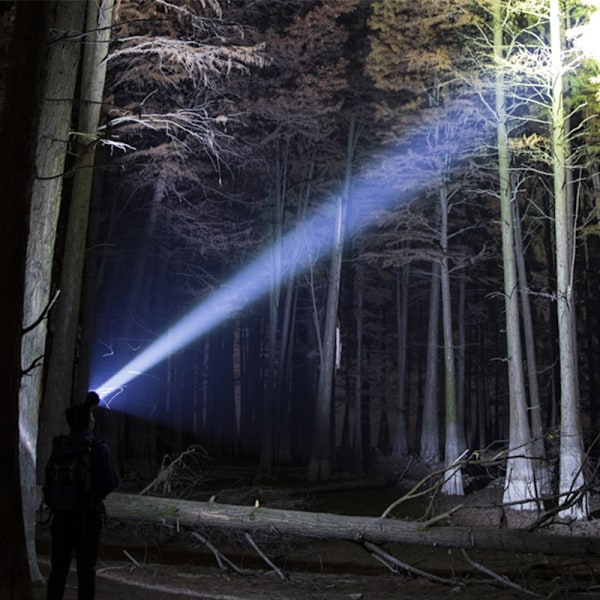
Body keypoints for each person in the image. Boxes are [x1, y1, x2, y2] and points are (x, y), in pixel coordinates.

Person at [46, 391, 119, 600]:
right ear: (88, 421)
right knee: (86, 572)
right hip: (87, 519)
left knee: (58, 570)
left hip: (60, 518)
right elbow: (110, 483)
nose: (94, 420)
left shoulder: (59, 447)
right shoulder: (97, 448)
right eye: (92, 417)